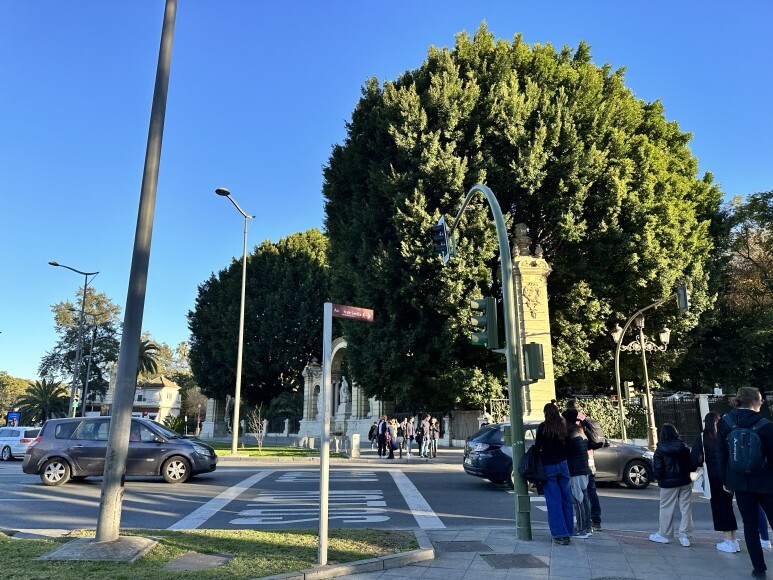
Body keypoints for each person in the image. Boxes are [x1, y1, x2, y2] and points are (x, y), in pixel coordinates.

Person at [717, 387, 773, 579]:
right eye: (761, 400)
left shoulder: (725, 422)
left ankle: (759, 569)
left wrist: (726, 481)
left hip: (740, 482)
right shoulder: (765, 424)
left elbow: (721, 455)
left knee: (750, 526)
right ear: (755, 401)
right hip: (766, 482)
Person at [691, 411, 739, 553]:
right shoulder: (727, 435)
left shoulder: (703, 437)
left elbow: (695, 458)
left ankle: (728, 541)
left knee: (719, 508)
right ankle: (733, 540)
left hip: (713, 477)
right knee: (728, 507)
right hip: (728, 476)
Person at [533, 401, 573, 545]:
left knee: (554, 501)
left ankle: (559, 534)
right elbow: (568, 446)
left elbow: (537, 447)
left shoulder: (543, 427)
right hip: (563, 465)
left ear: (546, 414)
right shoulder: (562, 426)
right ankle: (568, 532)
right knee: (566, 498)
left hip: (549, 466)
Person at [650, 423, 694, 547]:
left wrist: (658, 478)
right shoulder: (683, 447)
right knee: (686, 508)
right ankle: (685, 536)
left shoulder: (660, 449)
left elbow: (658, 468)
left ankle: (665, 535)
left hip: (668, 483)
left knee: (666, 508)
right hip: (684, 480)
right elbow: (690, 463)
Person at [566, 398, 602, 531]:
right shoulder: (584, 419)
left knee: (581, 496)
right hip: (590, 460)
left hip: (579, 463)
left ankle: (584, 525)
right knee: (590, 492)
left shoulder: (573, 423)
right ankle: (595, 522)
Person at [563, 409, 592, 539]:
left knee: (578, 501)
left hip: (575, 472)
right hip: (584, 470)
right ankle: (587, 527)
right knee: (584, 500)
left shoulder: (571, 436)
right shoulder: (580, 433)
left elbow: (569, 455)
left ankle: (581, 529)